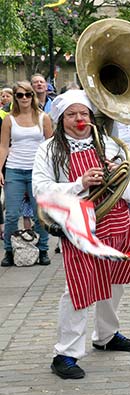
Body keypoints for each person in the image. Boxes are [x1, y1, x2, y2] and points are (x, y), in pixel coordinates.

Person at [32, 89, 130, 379]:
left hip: (118, 223)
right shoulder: (49, 149)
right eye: (72, 114)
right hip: (80, 227)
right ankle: (65, 354)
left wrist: (117, 171)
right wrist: (79, 184)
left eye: (83, 113)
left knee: (114, 283)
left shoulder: (108, 144)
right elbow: (41, 191)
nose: (79, 119)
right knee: (79, 290)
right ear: (61, 120)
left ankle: (106, 336)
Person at [0, 81, 53, 267]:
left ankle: (43, 249)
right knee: (12, 215)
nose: (24, 98)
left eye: (28, 94)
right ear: (15, 97)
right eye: (20, 95)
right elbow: (4, 146)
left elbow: (50, 145)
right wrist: (0, 169)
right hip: (14, 169)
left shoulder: (43, 117)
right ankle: (9, 250)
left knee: (40, 214)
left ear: (33, 96)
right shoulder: (9, 119)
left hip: (37, 171)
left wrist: (51, 171)